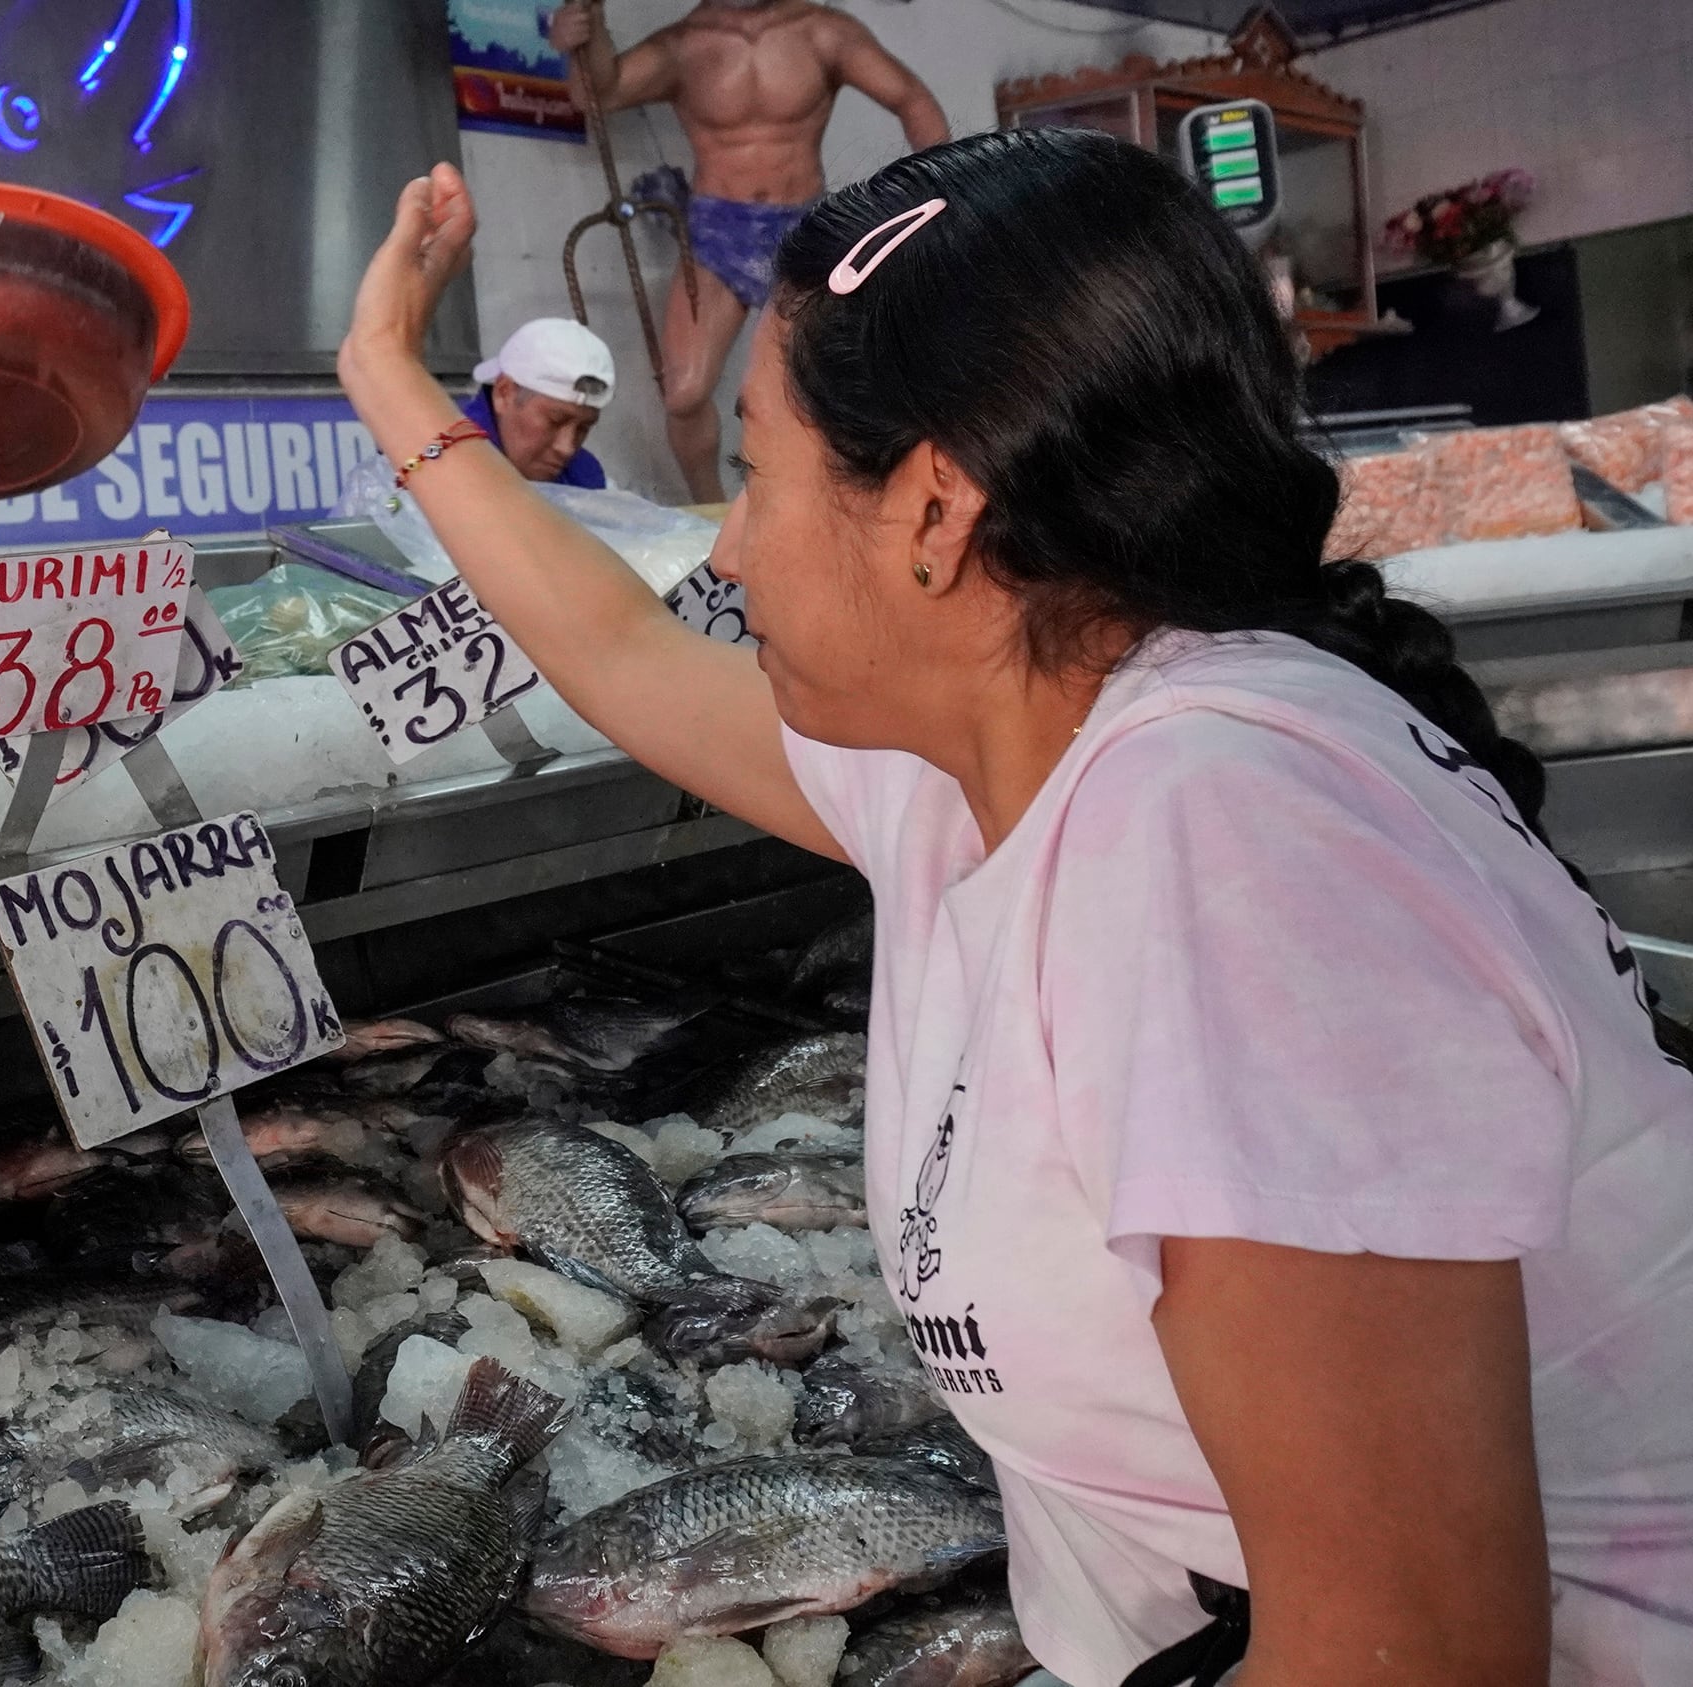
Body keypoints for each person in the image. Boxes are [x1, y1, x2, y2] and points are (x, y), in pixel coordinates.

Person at [338, 133, 1693, 1687]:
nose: (726, 544)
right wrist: (388, 371)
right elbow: (631, 660)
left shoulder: (1216, 842)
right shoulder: (999, 749)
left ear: (933, 510)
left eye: (759, 472)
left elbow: (1415, 1654)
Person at [549, 0, 945, 502]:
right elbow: (597, 93)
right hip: (718, 233)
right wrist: (585, 36)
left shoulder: (821, 31)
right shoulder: (685, 45)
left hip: (804, 228)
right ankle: (709, 510)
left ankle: (839, 503)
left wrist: (938, 195)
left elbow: (911, 98)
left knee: (834, 390)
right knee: (684, 393)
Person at [464, 318, 616, 489]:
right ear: (504, 393)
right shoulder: (443, 466)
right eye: (555, 421)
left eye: (583, 428)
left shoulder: (585, 478)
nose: (566, 448)